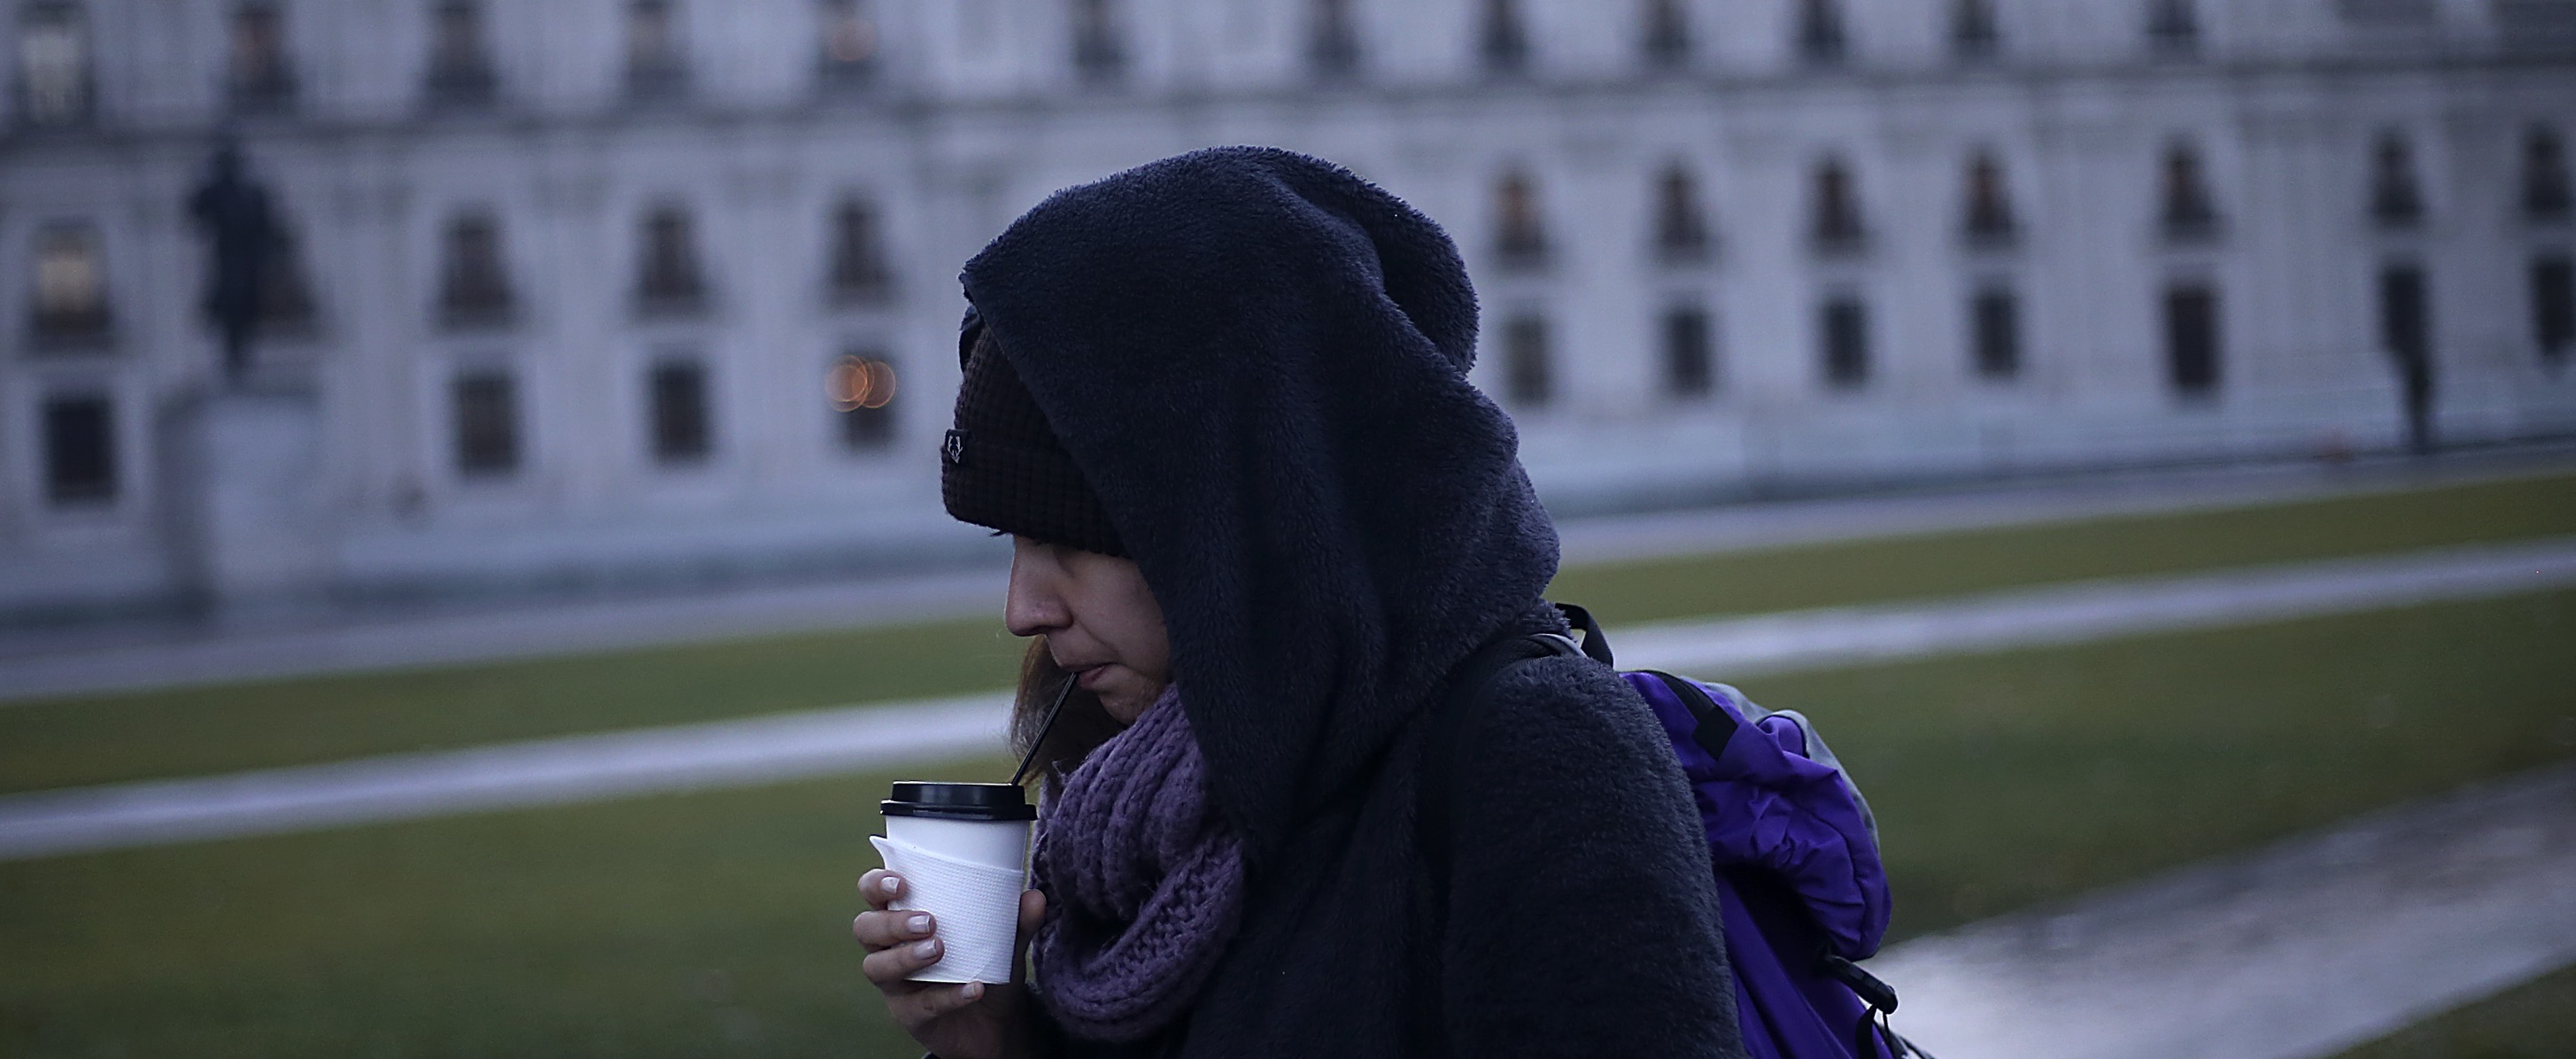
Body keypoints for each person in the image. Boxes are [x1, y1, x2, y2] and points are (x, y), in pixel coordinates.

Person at [853, 147, 1744, 1058]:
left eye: (1070, 542)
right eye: (1012, 544)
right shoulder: (1139, 798)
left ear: (1237, 511)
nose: (1023, 608)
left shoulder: (1540, 751)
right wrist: (990, 1037)